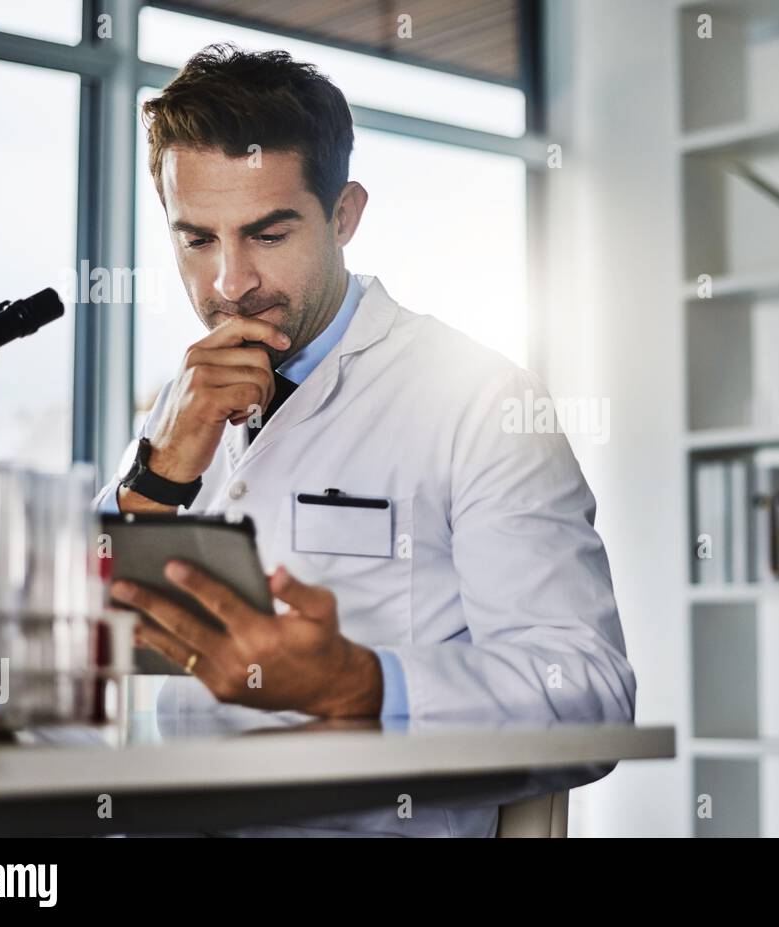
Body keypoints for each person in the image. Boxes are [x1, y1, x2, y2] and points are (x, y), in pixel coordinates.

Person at [95, 44, 636, 837]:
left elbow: (588, 695)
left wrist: (361, 682)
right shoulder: (178, 410)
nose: (228, 283)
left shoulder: (480, 398)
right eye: (197, 240)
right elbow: (84, 648)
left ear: (344, 214)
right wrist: (161, 474)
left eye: (268, 234)